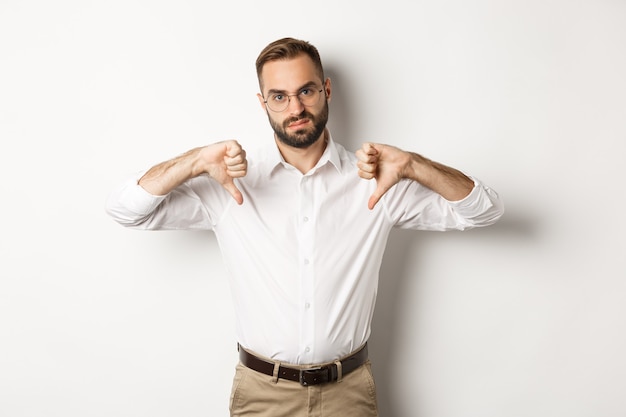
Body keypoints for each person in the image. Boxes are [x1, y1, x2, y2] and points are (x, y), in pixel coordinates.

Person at [105, 37, 504, 417]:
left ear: (327, 90)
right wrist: (195, 160)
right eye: (279, 96)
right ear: (263, 103)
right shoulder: (228, 183)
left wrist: (413, 164)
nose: (295, 107)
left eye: (306, 91)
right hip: (262, 395)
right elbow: (126, 210)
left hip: (348, 393)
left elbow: (484, 210)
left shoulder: (376, 181)